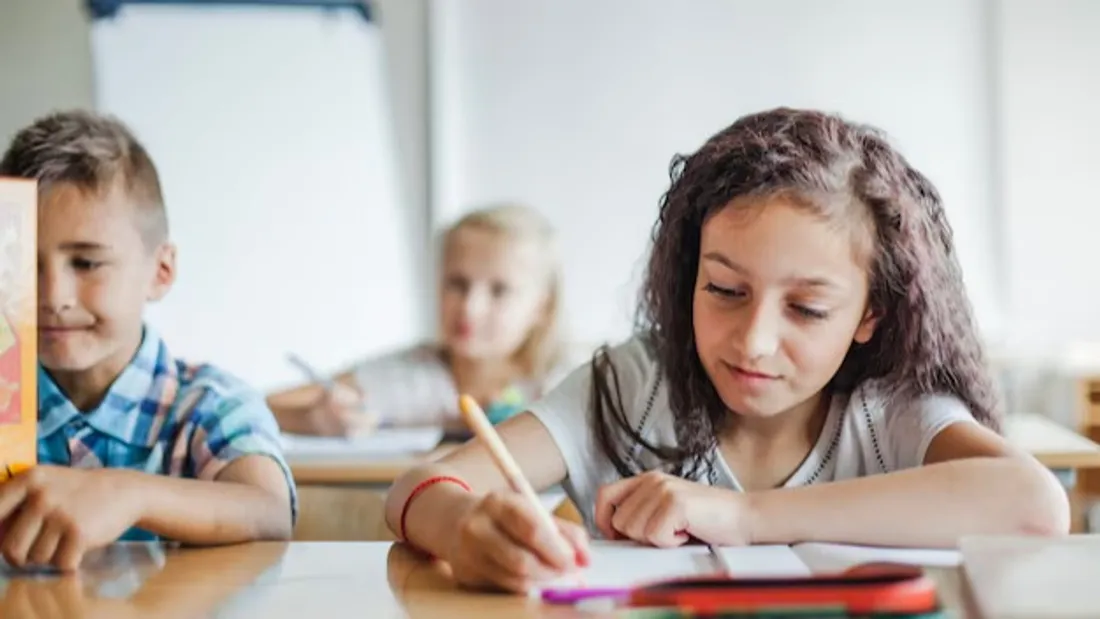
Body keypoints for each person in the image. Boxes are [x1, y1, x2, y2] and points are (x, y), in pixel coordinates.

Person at [383, 107, 1069, 593]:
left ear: (870, 314)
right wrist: (466, 526)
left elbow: (1034, 502)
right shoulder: (633, 385)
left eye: (807, 307)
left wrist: (741, 517)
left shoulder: (890, 408)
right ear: (690, 278)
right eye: (724, 289)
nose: (754, 339)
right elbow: (416, 489)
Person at [0, 110, 296, 570]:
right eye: (25, 265)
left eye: (86, 263)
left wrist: (126, 492)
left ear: (161, 271)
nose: (52, 296)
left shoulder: (210, 405)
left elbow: (268, 510)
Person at [268, 204, 581, 435]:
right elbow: (253, 409)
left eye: (499, 291)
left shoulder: (572, 382)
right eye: (457, 284)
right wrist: (308, 420)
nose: (470, 308)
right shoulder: (409, 376)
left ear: (543, 306)